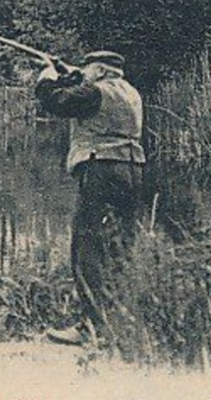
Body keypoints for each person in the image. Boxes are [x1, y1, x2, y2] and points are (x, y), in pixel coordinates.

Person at [34, 50, 146, 347]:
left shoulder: (96, 91)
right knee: (120, 245)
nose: (84, 72)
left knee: (88, 247)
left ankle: (92, 328)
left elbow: (58, 102)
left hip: (101, 169)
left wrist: (46, 78)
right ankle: (119, 321)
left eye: (87, 69)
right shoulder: (130, 92)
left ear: (98, 70)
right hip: (132, 169)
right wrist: (69, 73)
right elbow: (81, 91)